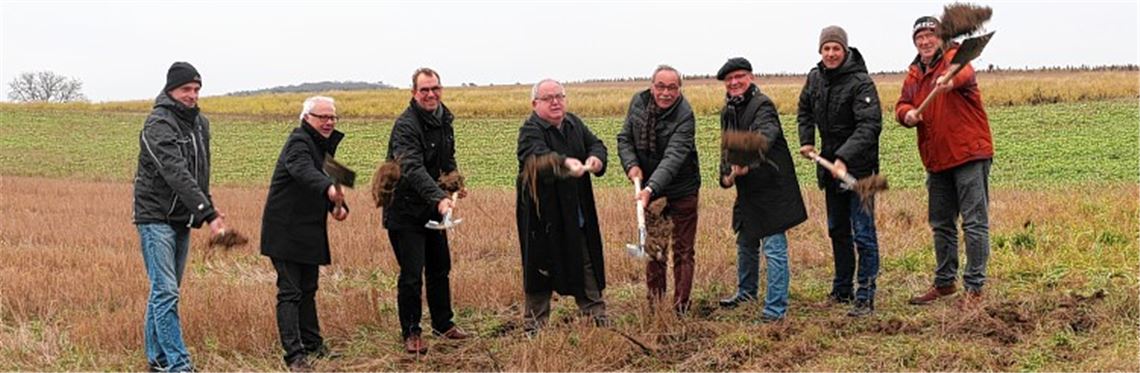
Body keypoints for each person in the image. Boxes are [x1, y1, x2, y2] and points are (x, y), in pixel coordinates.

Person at [132, 61, 228, 372]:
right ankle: (178, 365)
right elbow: (175, 173)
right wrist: (207, 213)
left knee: (164, 292)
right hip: (155, 217)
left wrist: (206, 204)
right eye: (186, 89)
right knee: (166, 291)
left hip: (181, 218)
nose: (192, 95)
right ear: (170, 90)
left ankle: (157, 360)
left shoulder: (201, 125)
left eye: (197, 89)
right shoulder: (157, 124)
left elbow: (199, 174)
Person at [896, 16, 994, 305]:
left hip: (968, 154)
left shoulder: (954, 59)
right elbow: (902, 103)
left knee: (974, 223)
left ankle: (974, 287)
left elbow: (964, 74)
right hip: (936, 160)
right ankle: (945, 282)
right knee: (941, 223)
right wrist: (907, 115)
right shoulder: (914, 73)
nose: (925, 42)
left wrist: (948, 79)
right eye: (919, 38)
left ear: (941, 38)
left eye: (930, 36)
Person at [796, 26, 883, 317]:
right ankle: (842, 288)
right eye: (826, 49)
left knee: (863, 233)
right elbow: (804, 109)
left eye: (836, 48)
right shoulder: (815, 78)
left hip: (860, 171)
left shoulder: (861, 82)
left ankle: (865, 295)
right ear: (820, 51)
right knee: (837, 230)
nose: (831, 53)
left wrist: (844, 157)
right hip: (830, 167)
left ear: (845, 50)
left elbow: (869, 126)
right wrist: (807, 140)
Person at [383, 68, 470, 354]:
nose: (431, 94)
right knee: (411, 274)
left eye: (435, 88)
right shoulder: (406, 126)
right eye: (424, 90)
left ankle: (443, 324)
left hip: (433, 208)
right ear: (414, 93)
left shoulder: (445, 119)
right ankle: (411, 332)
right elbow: (411, 168)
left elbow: (447, 158)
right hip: (405, 210)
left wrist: (454, 183)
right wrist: (438, 198)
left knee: (439, 268)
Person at [715, 58, 808, 323]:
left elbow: (767, 134)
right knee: (745, 241)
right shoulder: (728, 111)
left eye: (740, 77)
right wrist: (725, 175)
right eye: (729, 79)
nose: (734, 82)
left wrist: (746, 160)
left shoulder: (762, 104)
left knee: (774, 248)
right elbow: (726, 147)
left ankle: (775, 310)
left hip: (772, 187)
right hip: (748, 190)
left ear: (751, 77)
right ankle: (746, 293)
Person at [260, 96, 349, 371]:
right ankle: (294, 356)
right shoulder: (298, 141)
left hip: (309, 230)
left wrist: (340, 206)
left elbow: (337, 184)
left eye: (332, 117)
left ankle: (313, 345)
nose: (329, 122)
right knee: (290, 291)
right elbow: (302, 170)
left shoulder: (325, 147)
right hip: (284, 230)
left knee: (309, 290)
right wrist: (328, 190)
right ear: (307, 118)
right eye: (323, 117)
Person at [516, 79, 609, 333]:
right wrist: (565, 162)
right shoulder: (530, 130)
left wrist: (595, 159)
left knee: (586, 260)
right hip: (543, 217)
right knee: (540, 268)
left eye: (559, 96)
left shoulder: (573, 124)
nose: (556, 102)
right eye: (548, 98)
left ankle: (596, 314)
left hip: (575, 211)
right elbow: (536, 157)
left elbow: (597, 144)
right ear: (535, 104)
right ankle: (535, 326)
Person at [616, 65, 700, 314]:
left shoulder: (684, 115)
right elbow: (625, 139)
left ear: (679, 89)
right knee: (655, 249)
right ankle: (655, 305)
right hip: (651, 189)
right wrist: (631, 165)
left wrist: (651, 188)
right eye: (660, 86)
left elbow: (674, 157)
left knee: (683, 251)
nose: (665, 93)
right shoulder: (638, 103)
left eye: (672, 87)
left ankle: (680, 308)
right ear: (652, 86)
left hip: (682, 189)